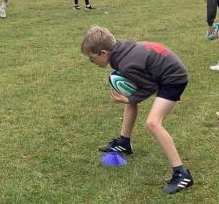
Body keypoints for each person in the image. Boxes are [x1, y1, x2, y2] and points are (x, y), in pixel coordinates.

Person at [81, 26, 193, 195]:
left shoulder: (126, 64)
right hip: (166, 72)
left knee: (153, 123)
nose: (92, 63)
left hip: (173, 79)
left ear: (103, 53)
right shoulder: (122, 49)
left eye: (92, 58)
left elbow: (149, 87)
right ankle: (124, 143)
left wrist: (129, 98)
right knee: (131, 100)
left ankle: (182, 174)